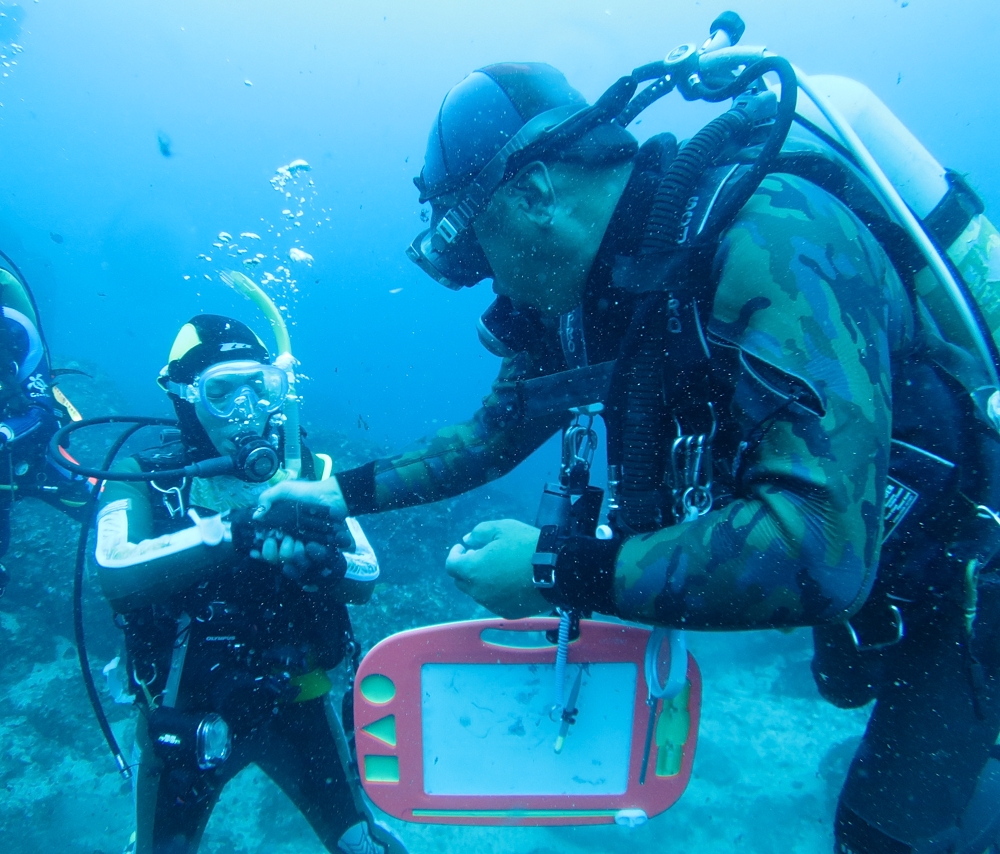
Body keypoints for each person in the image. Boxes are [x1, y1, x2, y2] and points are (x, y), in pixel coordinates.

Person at [255, 61, 1000, 853]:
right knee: (858, 700)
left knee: (888, 834)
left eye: (477, 247)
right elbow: (487, 438)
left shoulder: (770, 233)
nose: (488, 284)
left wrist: (552, 571)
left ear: (537, 193)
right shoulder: (585, 302)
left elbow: (815, 548)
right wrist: (339, 493)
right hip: (885, 590)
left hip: (969, 564)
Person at [94, 314, 405, 854]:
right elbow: (116, 571)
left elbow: (366, 574)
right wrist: (237, 529)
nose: (246, 408)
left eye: (260, 386)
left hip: (297, 700)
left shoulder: (311, 470)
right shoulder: (146, 478)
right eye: (221, 390)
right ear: (186, 398)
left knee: (362, 844)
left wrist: (325, 563)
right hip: (189, 721)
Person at [0, 255, 89, 597]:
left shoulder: (14, 329)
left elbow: (41, 412)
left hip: (20, 460)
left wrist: (5, 433)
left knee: (101, 500)